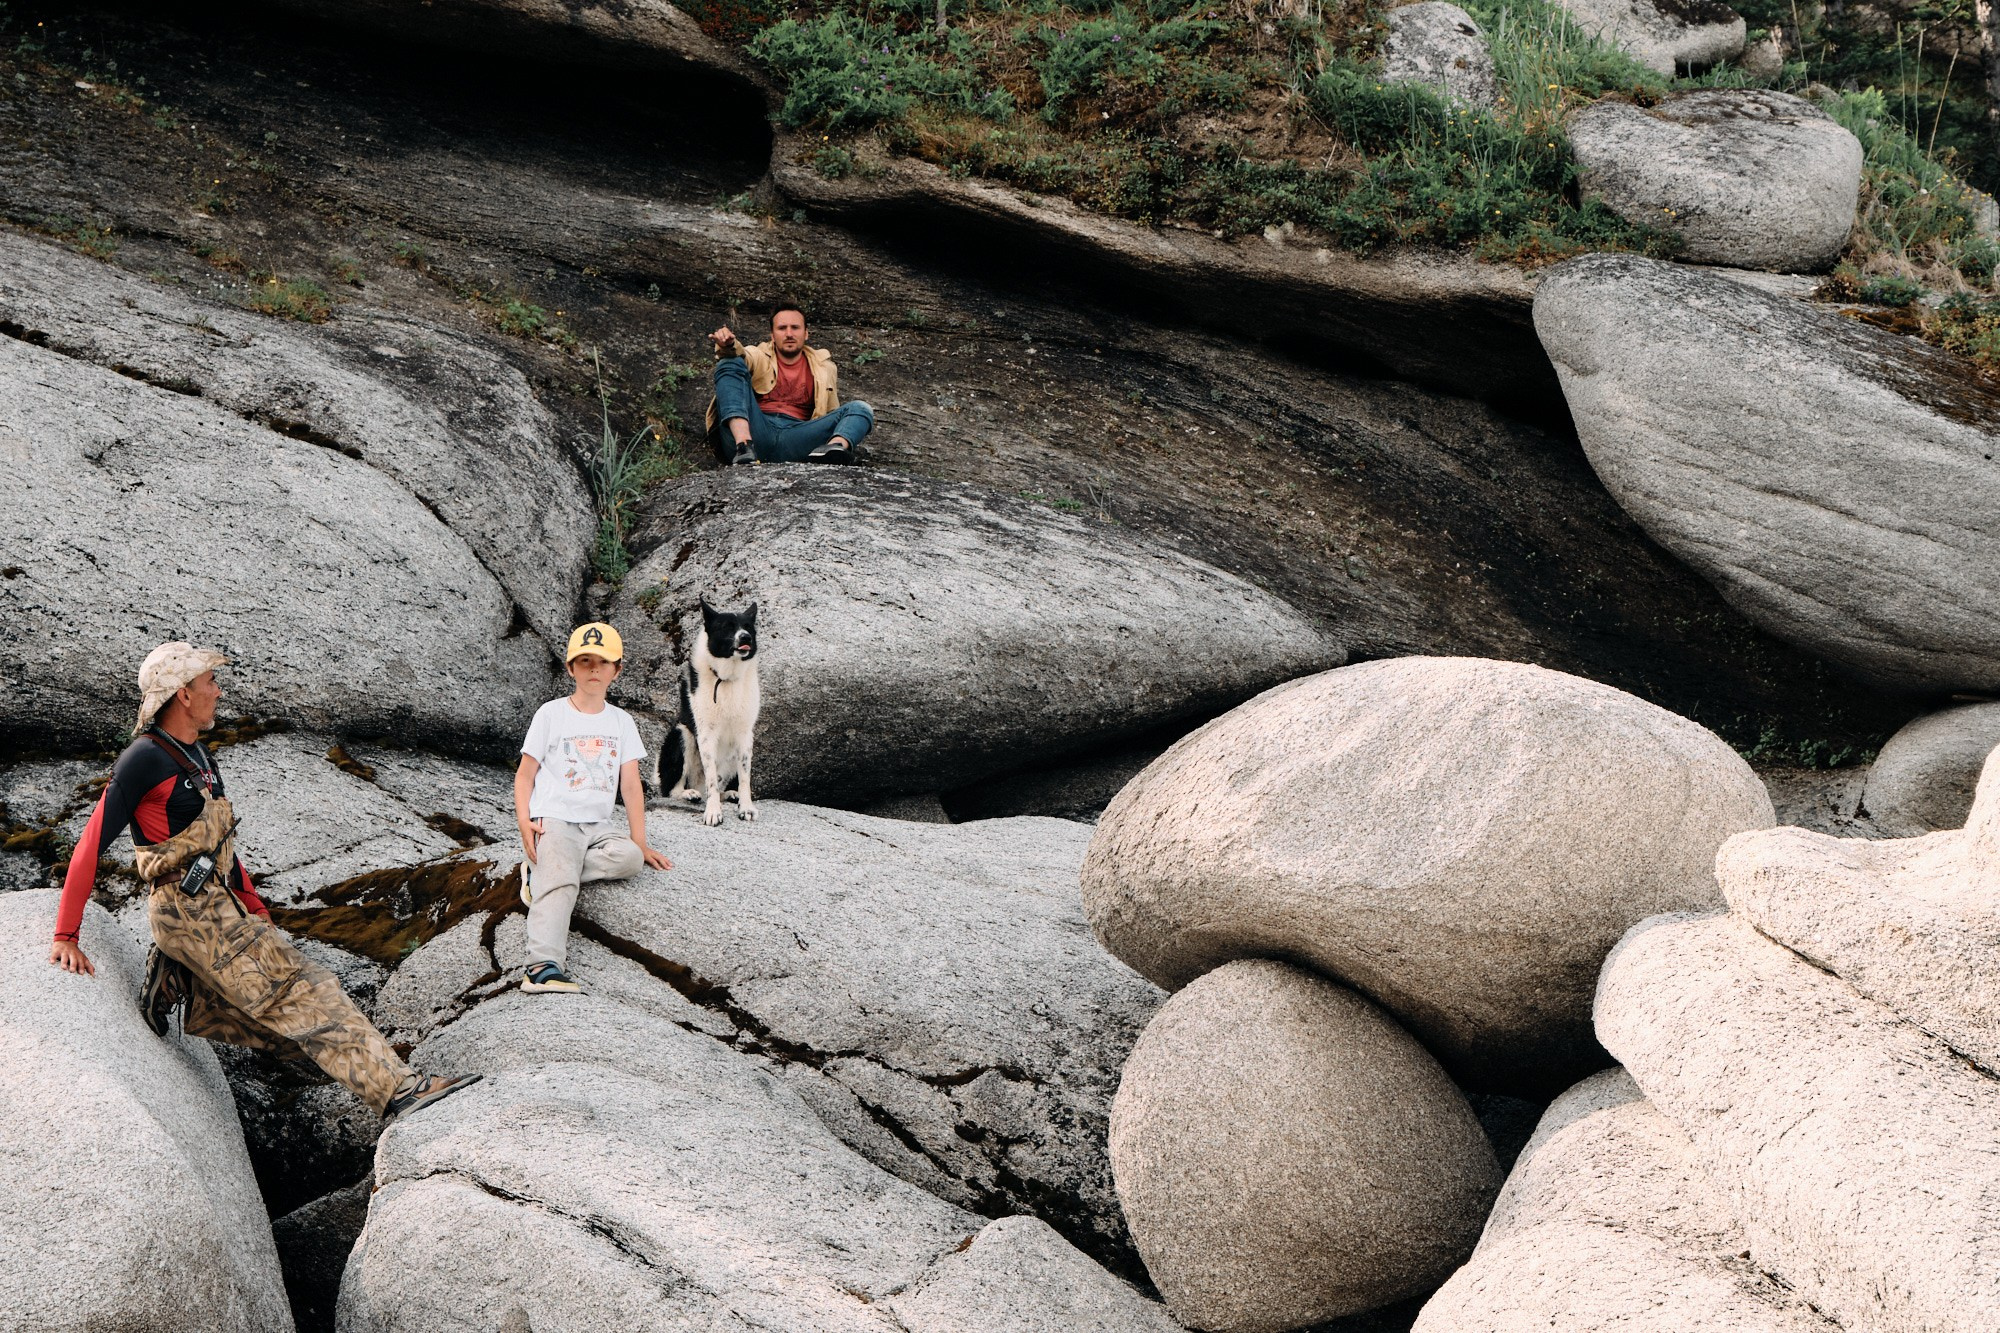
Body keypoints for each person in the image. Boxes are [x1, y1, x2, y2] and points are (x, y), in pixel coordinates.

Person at [49, 642, 480, 1122]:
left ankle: (178, 974)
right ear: (183, 695)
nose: (217, 689)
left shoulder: (197, 756)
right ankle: (400, 1091)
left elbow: (220, 848)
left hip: (219, 908)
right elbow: (90, 845)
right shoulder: (143, 758)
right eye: (208, 681)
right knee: (307, 992)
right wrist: (67, 934)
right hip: (191, 914)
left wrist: (254, 907)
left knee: (274, 1029)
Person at [514, 623, 672, 994]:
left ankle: (543, 873)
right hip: (554, 818)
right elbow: (524, 776)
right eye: (584, 661)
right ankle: (541, 967)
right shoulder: (551, 714)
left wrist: (641, 842)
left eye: (603, 663)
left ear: (616, 670)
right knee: (562, 885)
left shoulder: (621, 721)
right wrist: (525, 820)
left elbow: (630, 785)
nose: (594, 669)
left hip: (597, 826)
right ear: (570, 668)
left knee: (629, 860)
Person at [705, 303, 875, 466]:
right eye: (781, 328)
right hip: (758, 431)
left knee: (861, 408)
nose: (789, 334)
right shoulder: (759, 354)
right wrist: (729, 347)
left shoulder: (825, 367)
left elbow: (832, 413)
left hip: (797, 438)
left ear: (806, 333)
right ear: (772, 335)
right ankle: (743, 447)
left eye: (795, 327)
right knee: (730, 363)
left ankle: (832, 450)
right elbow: (743, 355)